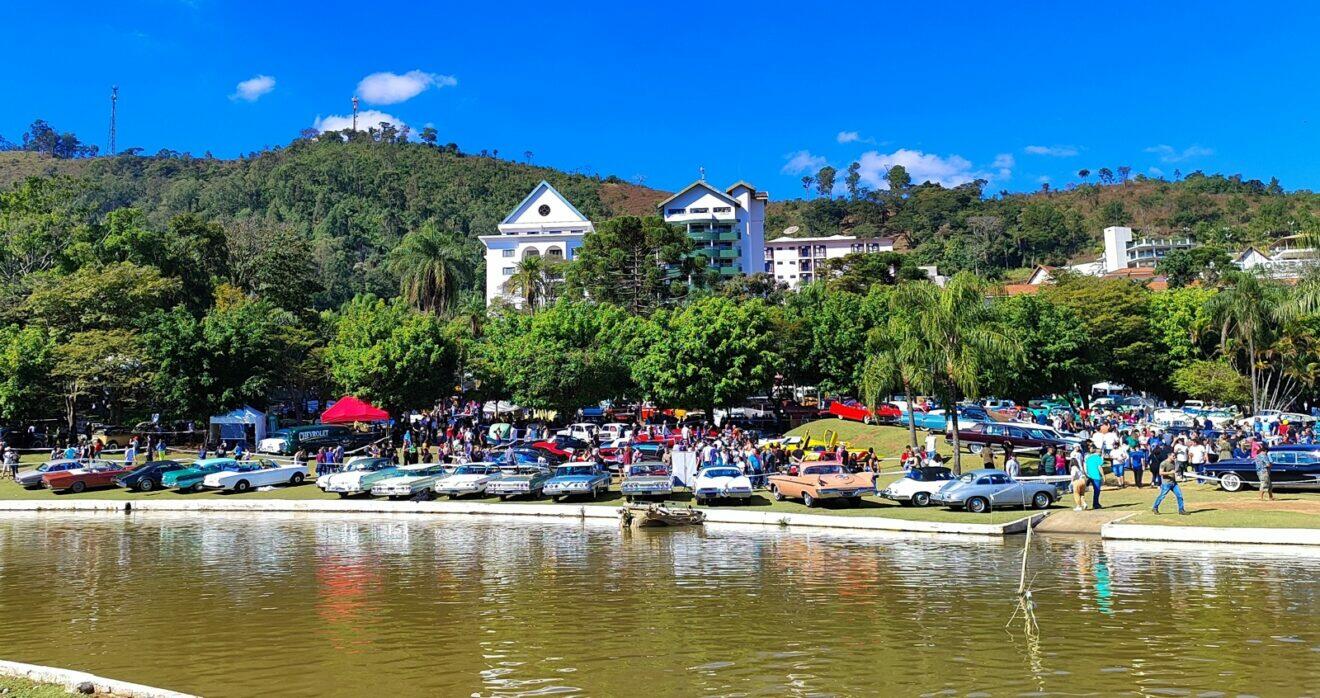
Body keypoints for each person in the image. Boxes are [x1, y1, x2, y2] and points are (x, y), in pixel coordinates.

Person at [1152, 450, 1188, 515]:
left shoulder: (1174, 462)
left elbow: (1175, 470)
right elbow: (1160, 473)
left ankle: (1181, 510)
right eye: (1173, 456)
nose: (1175, 457)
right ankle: (1155, 507)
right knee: (1162, 496)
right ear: (1169, 456)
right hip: (1166, 483)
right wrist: (1170, 472)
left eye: (1175, 456)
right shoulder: (1163, 463)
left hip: (1174, 483)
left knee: (1179, 495)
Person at [1083, 445, 1104, 510]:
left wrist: (1086, 474)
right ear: (1099, 452)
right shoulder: (1098, 458)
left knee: (1083, 490)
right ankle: (1095, 504)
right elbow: (1099, 467)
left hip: (1089, 476)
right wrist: (1103, 476)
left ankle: (1083, 503)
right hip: (1096, 476)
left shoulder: (1088, 457)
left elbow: (1085, 466)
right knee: (1097, 491)